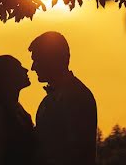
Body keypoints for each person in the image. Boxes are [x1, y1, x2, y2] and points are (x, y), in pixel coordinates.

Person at [29, 31, 97, 165]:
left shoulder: (77, 97)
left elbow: (74, 152)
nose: (33, 67)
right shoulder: (50, 100)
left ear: (52, 60)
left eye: (37, 60)